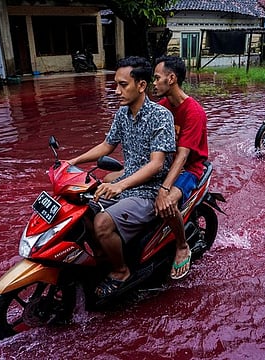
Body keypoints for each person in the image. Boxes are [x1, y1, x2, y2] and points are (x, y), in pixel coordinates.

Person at [68, 56, 176, 299]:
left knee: (102, 223)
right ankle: (105, 257)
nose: (117, 91)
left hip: (150, 190)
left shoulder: (161, 116)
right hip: (125, 183)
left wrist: (120, 185)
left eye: (122, 85)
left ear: (141, 85)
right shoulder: (122, 114)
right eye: (116, 84)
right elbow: (107, 145)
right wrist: (73, 161)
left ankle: (121, 271)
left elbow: (157, 164)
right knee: (82, 209)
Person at [152, 55, 208, 280]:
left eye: (157, 78)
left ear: (171, 78)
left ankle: (182, 245)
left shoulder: (194, 112)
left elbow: (184, 156)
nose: (154, 83)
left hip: (189, 169)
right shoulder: (163, 107)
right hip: (166, 164)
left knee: (167, 204)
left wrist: (165, 189)